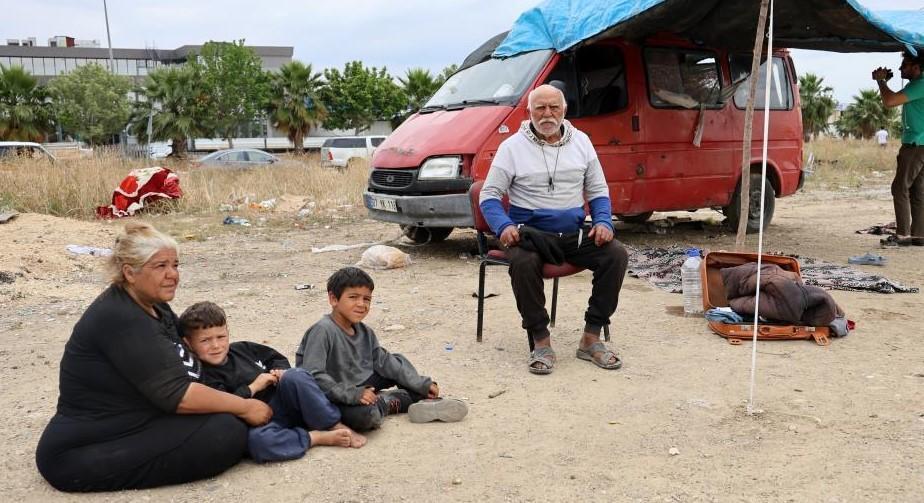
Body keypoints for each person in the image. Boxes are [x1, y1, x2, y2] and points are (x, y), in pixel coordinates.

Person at [35, 222, 272, 492]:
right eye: (160, 266)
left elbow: (191, 355)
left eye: (176, 265)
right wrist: (243, 406)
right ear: (130, 273)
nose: (173, 274)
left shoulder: (154, 305)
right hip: (83, 451)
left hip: (141, 420)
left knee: (233, 402)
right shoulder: (119, 317)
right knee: (225, 433)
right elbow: (179, 395)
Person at [479, 84, 629, 375]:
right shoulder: (511, 148)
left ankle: (591, 337)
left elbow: (598, 190)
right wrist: (505, 226)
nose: (547, 114)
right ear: (529, 112)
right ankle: (541, 341)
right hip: (529, 234)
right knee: (523, 262)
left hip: (573, 233)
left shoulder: (582, 142)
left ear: (564, 110)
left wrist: (603, 221)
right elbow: (489, 196)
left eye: (554, 107)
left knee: (615, 255)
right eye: (540, 108)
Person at [179, 301, 366, 463]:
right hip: (261, 423)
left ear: (228, 332)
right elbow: (223, 403)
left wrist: (278, 372)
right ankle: (316, 437)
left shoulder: (243, 349)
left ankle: (333, 424)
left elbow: (275, 358)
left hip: (287, 402)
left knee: (296, 376)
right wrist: (254, 387)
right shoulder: (201, 375)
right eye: (205, 340)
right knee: (258, 443)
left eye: (221, 337)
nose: (216, 345)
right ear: (188, 343)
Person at [296, 267, 468, 432]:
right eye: (353, 297)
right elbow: (314, 376)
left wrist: (421, 384)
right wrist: (354, 394)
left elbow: (385, 363)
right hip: (333, 396)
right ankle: (388, 402)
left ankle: (404, 399)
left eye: (366, 299)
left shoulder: (365, 332)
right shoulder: (323, 330)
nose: (361, 304)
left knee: (399, 365)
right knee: (365, 416)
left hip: (361, 386)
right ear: (333, 299)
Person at [873, 51, 924, 247]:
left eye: (905, 65)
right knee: (918, 190)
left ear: (917, 67)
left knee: (900, 187)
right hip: (920, 144)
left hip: (916, 144)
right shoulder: (916, 85)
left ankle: (902, 235)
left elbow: (889, 102)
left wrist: (881, 82)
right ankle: (919, 235)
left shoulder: (919, 84)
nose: (901, 69)